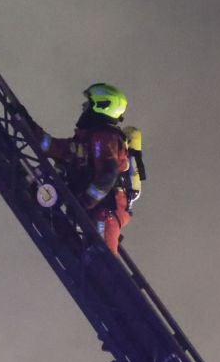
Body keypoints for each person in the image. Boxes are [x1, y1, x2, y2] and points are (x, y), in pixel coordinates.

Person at [39, 82, 142, 255]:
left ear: (101, 106)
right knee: (95, 261)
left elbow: (108, 175)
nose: (84, 108)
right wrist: (26, 122)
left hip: (107, 211)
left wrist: (84, 202)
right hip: (97, 209)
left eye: (88, 104)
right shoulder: (87, 139)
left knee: (104, 264)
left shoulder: (105, 138)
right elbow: (53, 146)